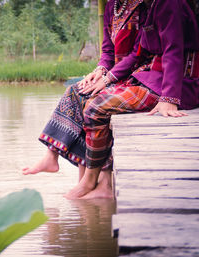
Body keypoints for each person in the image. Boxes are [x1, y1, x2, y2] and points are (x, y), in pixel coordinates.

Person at [64, 0, 199, 199]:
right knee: (87, 95)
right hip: (150, 78)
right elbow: (137, 53)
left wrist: (169, 98)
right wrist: (105, 76)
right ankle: (97, 182)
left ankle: (91, 180)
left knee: (96, 108)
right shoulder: (149, 6)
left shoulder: (169, 3)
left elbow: (174, 51)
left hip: (175, 85)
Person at [23, 0, 148, 197]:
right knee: (77, 90)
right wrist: (99, 71)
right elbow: (108, 51)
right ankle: (52, 155)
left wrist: (108, 79)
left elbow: (137, 54)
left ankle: (99, 184)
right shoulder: (112, 7)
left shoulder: (143, 6)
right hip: (116, 75)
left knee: (92, 102)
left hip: (138, 76)